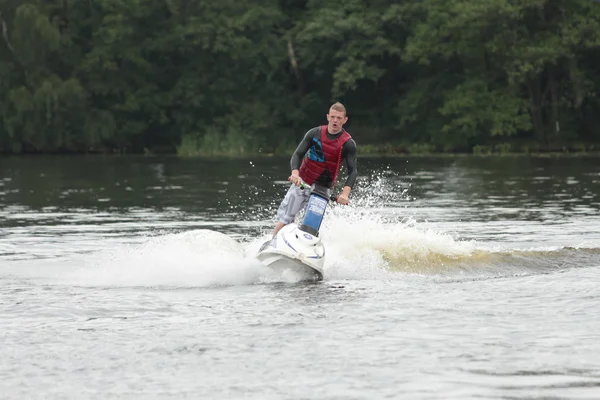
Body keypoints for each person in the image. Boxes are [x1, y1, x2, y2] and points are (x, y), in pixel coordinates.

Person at [272, 102, 358, 237]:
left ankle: (306, 249)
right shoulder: (314, 133)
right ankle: (273, 243)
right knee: (285, 221)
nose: (335, 121)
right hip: (302, 183)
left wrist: (345, 194)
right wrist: (295, 174)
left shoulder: (348, 143)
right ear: (328, 117)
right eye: (333, 117)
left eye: (339, 118)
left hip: (323, 189)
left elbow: (353, 171)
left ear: (345, 120)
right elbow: (297, 155)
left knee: (310, 228)